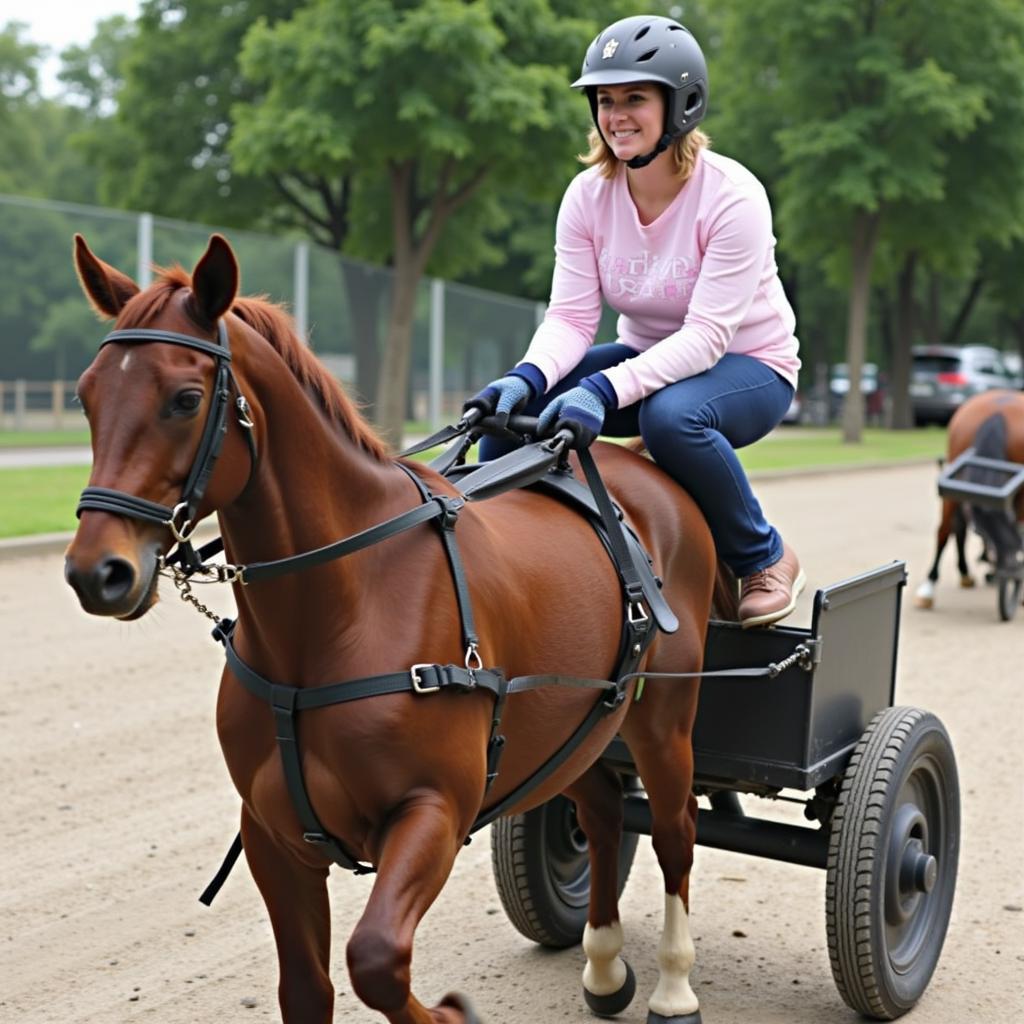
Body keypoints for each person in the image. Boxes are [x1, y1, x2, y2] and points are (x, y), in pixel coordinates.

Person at [466, 13, 804, 628]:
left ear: (681, 104)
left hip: (748, 368)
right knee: (511, 423)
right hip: (647, 359)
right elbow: (570, 317)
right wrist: (527, 378)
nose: (615, 114)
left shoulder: (734, 196)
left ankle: (764, 555)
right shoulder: (586, 196)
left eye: (634, 98)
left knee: (671, 418)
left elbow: (706, 339)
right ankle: (501, 565)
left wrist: (600, 389)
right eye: (604, 99)